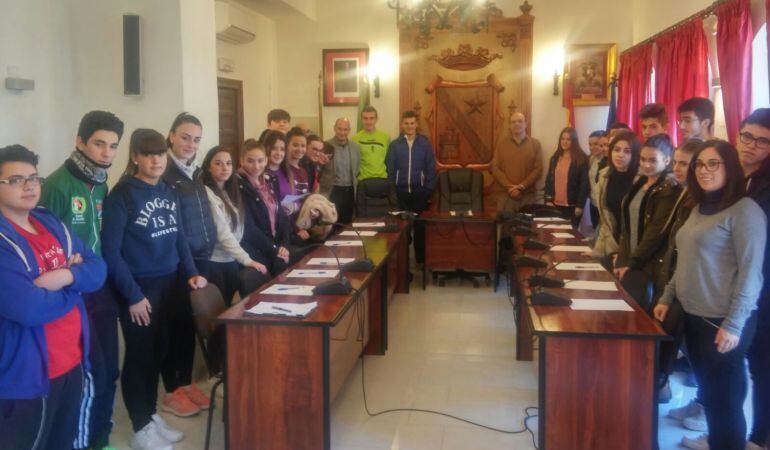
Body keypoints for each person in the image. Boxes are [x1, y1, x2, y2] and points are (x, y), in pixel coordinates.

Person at [654, 140, 766, 450]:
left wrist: (734, 324)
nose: (704, 170)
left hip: (722, 322)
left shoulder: (745, 211)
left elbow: (751, 272)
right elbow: (686, 260)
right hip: (693, 316)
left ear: (730, 167)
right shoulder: (699, 206)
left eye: (713, 163)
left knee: (725, 405)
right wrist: (666, 297)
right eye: (699, 164)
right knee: (711, 397)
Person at [101, 129, 208, 450]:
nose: (156, 160)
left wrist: (191, 273)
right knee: (140, 357)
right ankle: (139, 428)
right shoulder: (122, 196)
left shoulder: (166, 190)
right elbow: (111, 252)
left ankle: (149, 416)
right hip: (139, 288)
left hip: (171, 282)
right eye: (148, 154)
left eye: (160, 153)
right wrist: (132, 295)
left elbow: (178, 238)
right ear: (134, 156)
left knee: (160, 352)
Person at [0, 145, 106, 450]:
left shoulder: (49, 221)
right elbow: (28, 307)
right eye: (17, 180)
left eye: (34, 177)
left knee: (64, 441)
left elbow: (98, 268)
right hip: (27, 376)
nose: (30, 186)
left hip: (72, 361)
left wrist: (64, 278)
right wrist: (78, 289)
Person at [38, 110, 124, 450]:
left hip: (100, 285)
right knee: (93, 373)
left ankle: (101, 437)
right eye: (99, 144)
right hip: (74, 293)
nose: (106, 152)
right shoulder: (57, 185)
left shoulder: (101, 182)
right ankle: (85, 440)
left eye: (113, 146)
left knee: (109, 371)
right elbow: (42, 239)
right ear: (80, 142)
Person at [161, 112, 215, 417]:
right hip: (181, 262)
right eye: (185, 137)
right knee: (176, 326)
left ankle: (186, 384)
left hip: (200, 259)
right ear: (171, 136)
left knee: (188, 327)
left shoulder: (193, 171)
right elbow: (175, 227)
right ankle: (172, 390)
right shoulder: (165, 173)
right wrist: (189, 265)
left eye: (196, 139)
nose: (190, 144)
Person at [653, 139, 703, 410]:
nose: (678, 168)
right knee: (669, 333)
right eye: (676, 162)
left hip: (692, 285)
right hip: (671, 277)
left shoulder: (700, 199)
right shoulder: (681, 191)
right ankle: (662, 382)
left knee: (685, 343)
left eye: (685, 163)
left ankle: (666, 383)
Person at [614, 134, 680, 311]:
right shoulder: (639, 182)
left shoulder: (668, 189)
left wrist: (632, 263)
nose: (646, 165)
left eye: (652, 160)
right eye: (643, 159)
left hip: (650, 263)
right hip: (632, 259)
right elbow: (626, 229)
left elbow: (655, 233)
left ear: (667, 160)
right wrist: (623, 260)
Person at [199, 146, 269, 305]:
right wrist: (248, 260)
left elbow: (240, 227)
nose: (225, 168)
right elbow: (223, 232)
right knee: (220, 310)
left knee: (231, 305)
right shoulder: (206, 192)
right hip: (216, 262)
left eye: (228, 163)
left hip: (231, 259)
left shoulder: (229, 190)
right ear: (208, 167)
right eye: (218, 163)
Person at [738, 108, 770, 450]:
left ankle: (759, 438)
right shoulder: (731, 174)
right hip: (733, 284)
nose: (752, 146)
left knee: (762, 365)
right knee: (734, 363)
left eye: (762, 141)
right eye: (748, 136)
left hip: (764, 284)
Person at [386, 110, 437, 265]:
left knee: (420, 228)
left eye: (412, 123)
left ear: (417, 124)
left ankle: (421, 262)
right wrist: (392, 190)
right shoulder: (395, 145)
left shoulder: (425, 144)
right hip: (400, 193)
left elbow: (431, 169)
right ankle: (403, 263)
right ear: (402, 125)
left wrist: (427, 190)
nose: (409, 126)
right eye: (406, 123)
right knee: (402, 229)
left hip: (419, 193)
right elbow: (390, 169)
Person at [238, 139, 294, 276]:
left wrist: (284, 245)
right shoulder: (238, 186)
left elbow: (281, 216)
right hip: (257, 250)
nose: (256, 166)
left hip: (276, 247)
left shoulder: (270, 180)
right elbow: (249, 229)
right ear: (241, 160)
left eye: (260, 160)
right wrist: (276, 250)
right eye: (250, 161)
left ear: (266, 160)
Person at [591, 130, 641, 265]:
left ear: (635, 154)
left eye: (627, 151)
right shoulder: (605, 176)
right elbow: (605, 220)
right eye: (616, 149)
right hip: (612, 244)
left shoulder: (642, 180)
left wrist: (626, 256)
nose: (620, 155)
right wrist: (598, 250)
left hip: (635, 249)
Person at [490, 111, 543, 217]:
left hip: (527, 196)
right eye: (513, 122)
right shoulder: (501, 144)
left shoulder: (535, 144)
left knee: (526, 230)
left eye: (520, 121)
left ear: (526, 124)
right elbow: (494, 168)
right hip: (505, 196)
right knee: (505, 230)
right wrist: (509, 187)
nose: (516, 124)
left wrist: (521, 186)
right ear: (509, 125)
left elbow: (538, 170)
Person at [544, 127, 590, 226]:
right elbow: (548, 180)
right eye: (563, 139)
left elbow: (585, 184)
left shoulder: (582, 159)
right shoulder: (555, 158)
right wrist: (547, 200)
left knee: (569, 236)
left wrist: (580, 205)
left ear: (574, 141)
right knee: (554, 234)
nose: (565, 142)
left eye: (568, 139)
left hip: (572, 207)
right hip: (554, 205)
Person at [322, 118, 360, 224]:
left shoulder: (355, 147)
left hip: (350, 191)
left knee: (347, 223)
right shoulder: (325, 146)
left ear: (349, 130)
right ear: (334, 128)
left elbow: (357, 168)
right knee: (331, 222)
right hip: (332, 190)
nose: (342, 132)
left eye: (345, 129)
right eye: (340, 129)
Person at [352, 105, 390, 182]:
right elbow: (353, 163)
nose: (368, 122)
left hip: (382, 179)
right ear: (361, 119)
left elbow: (388, 160)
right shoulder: (354, 139)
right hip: (363, 181)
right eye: (365, 118)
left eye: (371, 118)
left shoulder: (386, 137)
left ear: (376, 119)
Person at [587, 130, 608, 228]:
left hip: (604, 205)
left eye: (595, 144)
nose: (592, 147)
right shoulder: (591, 159)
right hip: (593, 202)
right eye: (590, 144)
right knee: (595, 228)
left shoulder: (609, 162)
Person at [263, 130, 290, 199]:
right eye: (274, 148)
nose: (278, 153)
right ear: (266, 148)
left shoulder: (287, 172)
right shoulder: (259, 174)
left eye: (282, 149)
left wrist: (295, 205)